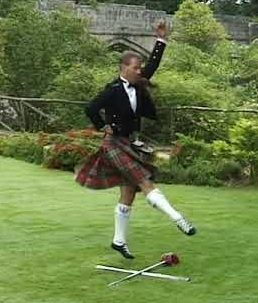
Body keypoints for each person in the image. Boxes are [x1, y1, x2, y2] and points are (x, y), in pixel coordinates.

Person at [75, 20, 196, 259]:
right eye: (136, 67)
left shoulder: (138, 84)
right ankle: (178, 218)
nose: (140, 71)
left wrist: (161, 39)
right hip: (113, 144)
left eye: (140, 68)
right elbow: (91, 108)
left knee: (128, 193)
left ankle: (118, 241)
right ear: (124, 68)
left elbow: (153, 64)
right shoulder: (111, 90)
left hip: (130, 143)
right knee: (144, 179)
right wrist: (103, 126)